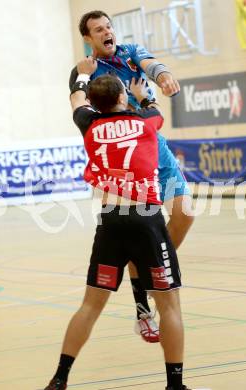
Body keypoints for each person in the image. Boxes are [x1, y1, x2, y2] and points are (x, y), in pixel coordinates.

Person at [43, 59, 195, 390]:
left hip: (111, 222)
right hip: (147, 220)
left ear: (95, 104)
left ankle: (59, 377)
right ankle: (175, 384)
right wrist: (144, 96)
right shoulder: (145, 122)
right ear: (122, 97)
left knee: (89, 306)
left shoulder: (89, 125)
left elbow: (76, 100)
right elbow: (155, 110)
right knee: (170, 305)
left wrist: (83, 74)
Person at [69, 10, 194, 343]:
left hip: (152, 142)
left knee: (185, 212)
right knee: (137, 227)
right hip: (122, 156)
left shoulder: (130, 51)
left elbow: (153, 64)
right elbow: (80, 107)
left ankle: (148, 269)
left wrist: (164, 76)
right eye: (98, 29)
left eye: (108, 26)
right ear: (88, 38)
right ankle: (143, 310)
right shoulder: (85, 72)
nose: (107, 32)